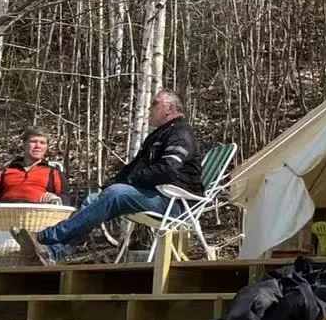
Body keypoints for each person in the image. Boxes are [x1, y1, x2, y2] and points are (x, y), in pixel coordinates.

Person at [15, 89, 204, 264]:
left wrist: (126, 183)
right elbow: (133, 168)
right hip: (157, 196)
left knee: (116, 193)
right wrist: (116, 181)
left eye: (154, 104)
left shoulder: (181, 132)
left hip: (177, 204)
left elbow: (168, 169)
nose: (149, 109)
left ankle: (45, 236)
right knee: (94, 198)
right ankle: (52, 253)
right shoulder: (157, 136)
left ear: (170, 109)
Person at [0, 128, 67, 258]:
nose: (38, 146)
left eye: (42, 143)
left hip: (34, 214)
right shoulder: (6, 170)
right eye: (33, 141)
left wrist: (54, 198)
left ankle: (31, 247)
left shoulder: (53, 171)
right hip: (4, 212)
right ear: (24, 144)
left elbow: (65, 199)